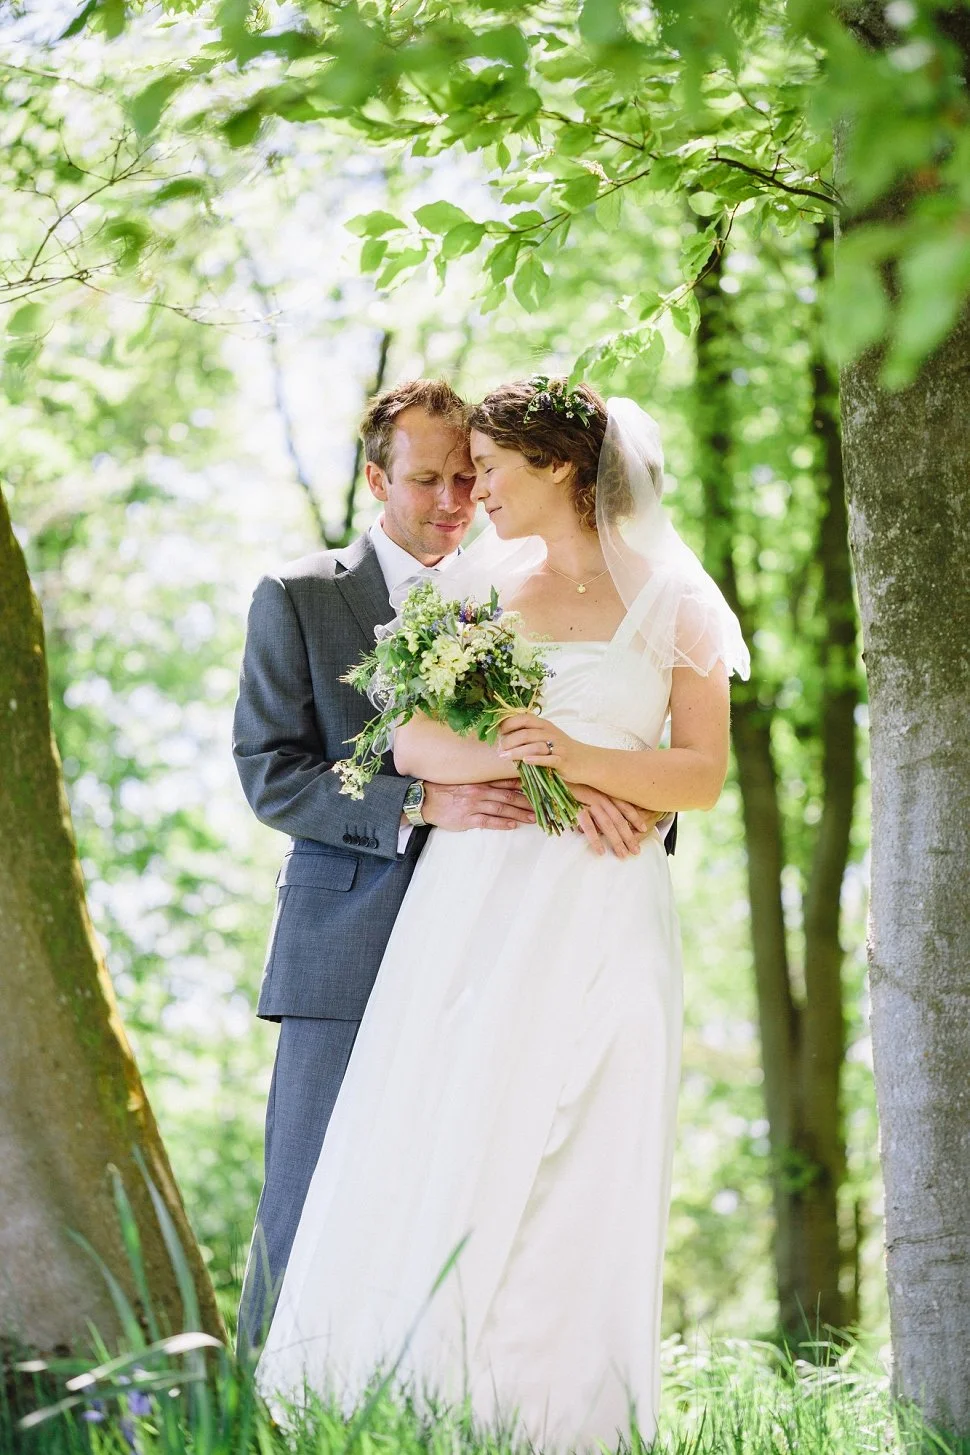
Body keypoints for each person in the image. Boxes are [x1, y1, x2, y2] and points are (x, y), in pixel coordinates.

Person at [256, 378, 749, 1445]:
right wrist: (555, 781)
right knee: (455, 1125)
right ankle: (414, 1402)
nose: (474, 489)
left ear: (561, 468)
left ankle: (562, 1418)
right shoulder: (478, 589)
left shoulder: (680, 600)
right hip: (478, 897)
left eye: (491, 467)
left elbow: (699, 775)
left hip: (610, 907)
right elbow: (417, 743)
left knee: (589, 1144)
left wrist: (577, 762)